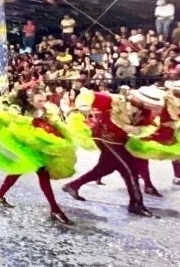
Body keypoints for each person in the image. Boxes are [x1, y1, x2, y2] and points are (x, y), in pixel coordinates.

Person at [0, 86, 76, 224]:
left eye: (44, 99)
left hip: (38, 150)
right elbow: (12, 124)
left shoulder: (44, 111)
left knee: (17, 172)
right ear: (31, 100)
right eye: (39, 100)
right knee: (42, 175)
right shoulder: (21, 111)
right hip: (26, 149)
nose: (43, 102)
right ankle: (55, 210)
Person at [62, 86, 164, 216]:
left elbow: (148, 126)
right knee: (130, 169)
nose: (153, 108)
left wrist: (139, 130)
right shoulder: (115, 101)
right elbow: (88, 95)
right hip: (106, 137)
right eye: (151, 104)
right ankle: (136, 204)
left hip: (121, 140)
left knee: (106, 168)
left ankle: (73, 185)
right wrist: (83, 106)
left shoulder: (146, 112)